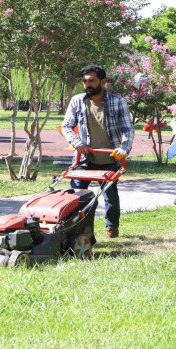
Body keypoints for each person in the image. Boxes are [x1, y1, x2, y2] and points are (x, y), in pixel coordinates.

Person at [61, 65, 134, 239]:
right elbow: (66, 126)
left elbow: (128, 129)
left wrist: (124, 148)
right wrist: (77, 143)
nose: (88, 84)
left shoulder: (118, 101)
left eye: (92, 81)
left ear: (103, 82)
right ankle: (79, 231)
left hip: (110, 157)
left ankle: (112, 227)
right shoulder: (77, 101)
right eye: (85, 81)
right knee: (77, 197)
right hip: (84, 159)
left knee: (110, 196)